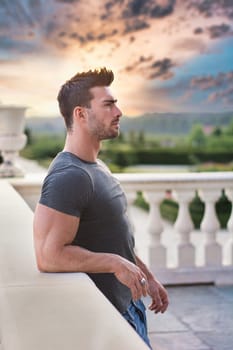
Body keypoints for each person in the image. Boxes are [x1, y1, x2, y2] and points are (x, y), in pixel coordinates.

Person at [33, 67, 169, 349]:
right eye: (108, 104)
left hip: (129, 306)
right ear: (80, 114)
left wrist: (148, 277)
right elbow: (49, 255)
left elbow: (114, 236)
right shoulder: (69, 175)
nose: (118, 111)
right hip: (107, 318)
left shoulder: (95, 167)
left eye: (116, 103)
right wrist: (114, 263)